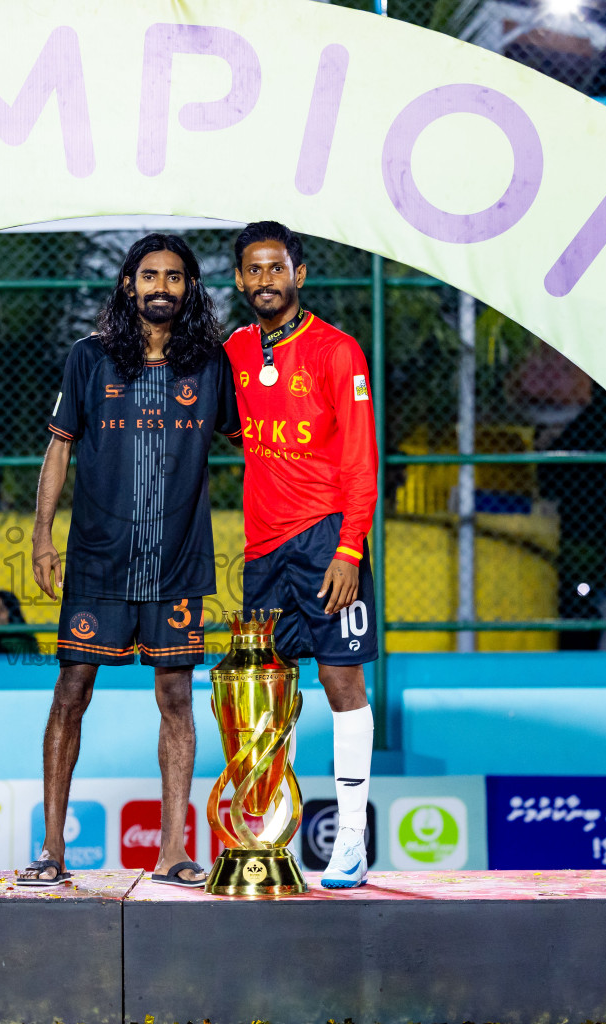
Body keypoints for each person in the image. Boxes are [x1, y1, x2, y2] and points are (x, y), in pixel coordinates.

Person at [19, 233, 240, 890]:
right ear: (128, 284)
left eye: (175, 277)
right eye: (150, 275)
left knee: (176, 696)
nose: (162, 287)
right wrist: (41, 537)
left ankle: (173, 849)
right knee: (71, 691)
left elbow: (255, 445)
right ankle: (53, 848)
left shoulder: (211, 364)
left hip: (177, 563)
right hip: (97, 562)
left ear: (189, 288)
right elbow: (59, 449)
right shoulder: (88, 358)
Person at [225, 221, 378, 889]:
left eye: (276, 268)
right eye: (253, 270)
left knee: (341, 682)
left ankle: (350, 839)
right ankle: (269, 832)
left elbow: (361, 460)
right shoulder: (233, 349)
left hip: (326, 541)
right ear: (239, 279)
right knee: (267, 690)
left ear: (299, 274)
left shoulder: (338, 351)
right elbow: (230, 423)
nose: (265, 280)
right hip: (263, 550)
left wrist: (349, 547)